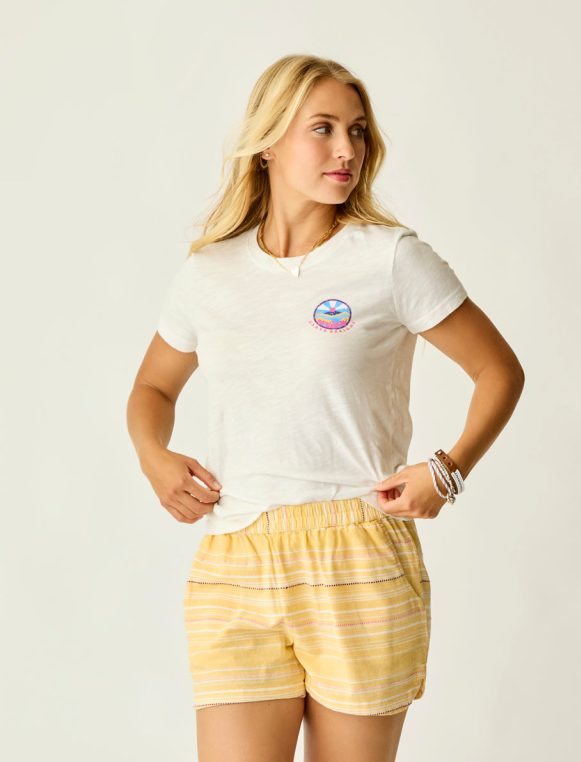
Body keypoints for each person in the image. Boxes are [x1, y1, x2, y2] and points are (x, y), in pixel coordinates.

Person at [127, 54, 525, 762]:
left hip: (359, 552)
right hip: (235, 555)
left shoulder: (391, 259)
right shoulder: (209, 273)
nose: (347, 149)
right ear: (268, 143)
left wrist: (449, 469)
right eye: (323, 128)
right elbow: (152, 389)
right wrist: (154, 457)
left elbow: (498, 370)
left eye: (358, 130)